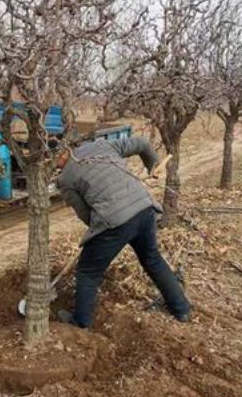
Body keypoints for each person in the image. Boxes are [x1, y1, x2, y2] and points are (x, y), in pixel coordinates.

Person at [55, 136, 191, 328]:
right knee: (152, 258)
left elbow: (85, 215)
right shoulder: (103, 145)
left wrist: (101, 231)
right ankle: (181, 309)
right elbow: (143, 143)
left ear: (63, 153)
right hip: (145, 209)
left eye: (54, 161)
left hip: (114, 221)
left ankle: (81, 321)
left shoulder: (66, 178)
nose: (56, 167)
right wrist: (153, 165)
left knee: (88, 271)